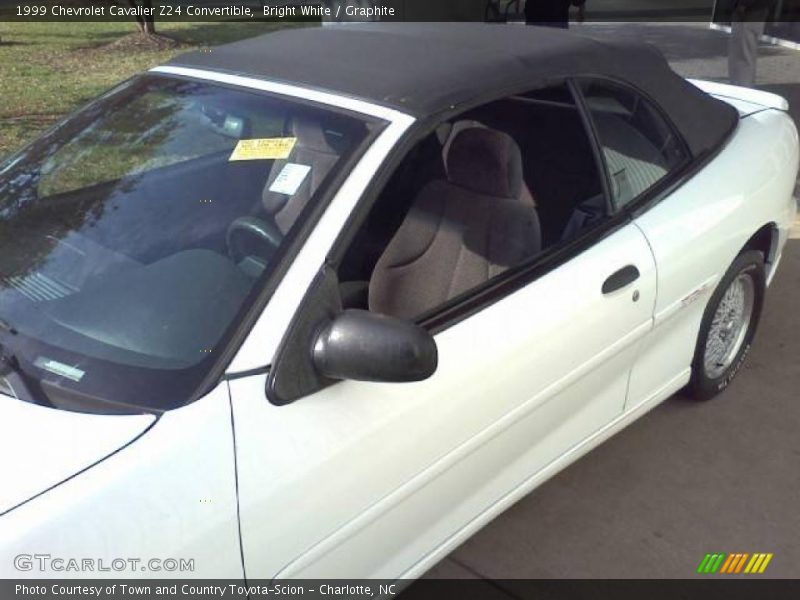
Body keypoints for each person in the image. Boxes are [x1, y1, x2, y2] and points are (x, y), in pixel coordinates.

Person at [728, 0, 776, 87]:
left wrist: (742, 5)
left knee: (744, 54)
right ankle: (737, 86)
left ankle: (744, 87)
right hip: (745, 10)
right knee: (738, 53)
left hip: (750, 11)